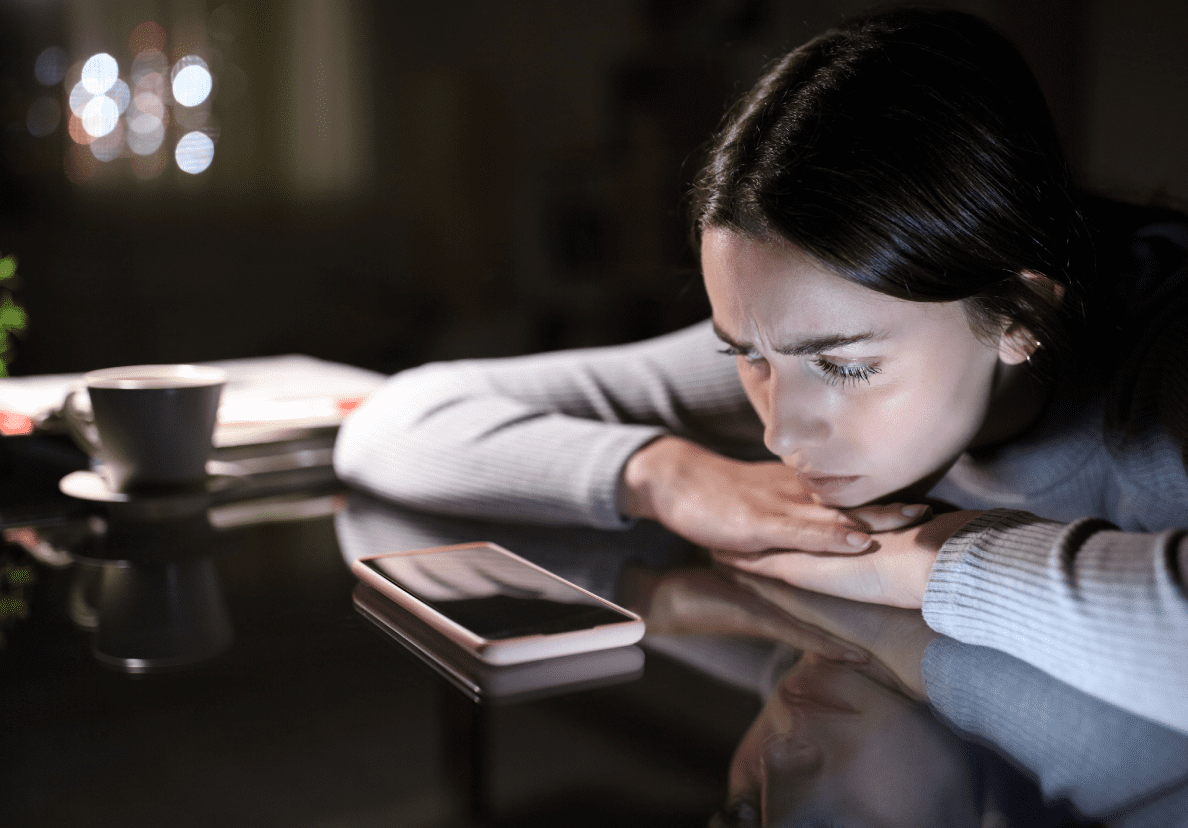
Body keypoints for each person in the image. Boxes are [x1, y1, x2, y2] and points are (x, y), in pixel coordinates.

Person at [335, 8, 1188, 733]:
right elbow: (393, 423)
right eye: (742, 354)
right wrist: (665, 475)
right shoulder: (812, 332)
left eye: (846, 369)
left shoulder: (1161, 378)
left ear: (1014, 314)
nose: (781, 431)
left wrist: (928, 564)